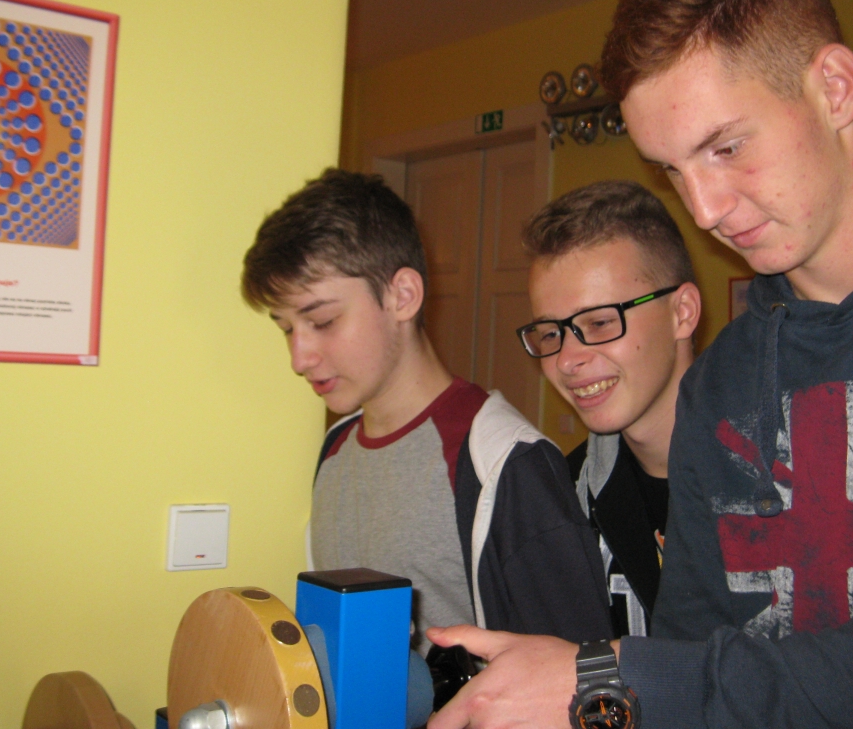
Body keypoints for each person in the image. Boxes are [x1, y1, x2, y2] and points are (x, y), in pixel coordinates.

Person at [428, 0, 853, 728]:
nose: (703, 211)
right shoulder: (721, 385)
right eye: (673, 170)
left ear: (835, 88)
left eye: (726, 147)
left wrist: (617, 675)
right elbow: (691, 650)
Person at [241, 168, 612, 651]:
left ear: (403, 297)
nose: (299, 358)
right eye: (287, 328)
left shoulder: (503, 462)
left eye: (323, 321)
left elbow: (580, 668)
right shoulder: (336, 448)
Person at [517, 181, 701, 638]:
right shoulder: (565, 501)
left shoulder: (781, 481)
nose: (566, 360)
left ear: (682, 312)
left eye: (599, 322)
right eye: (550, 333)